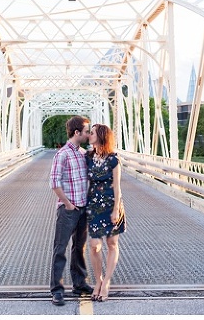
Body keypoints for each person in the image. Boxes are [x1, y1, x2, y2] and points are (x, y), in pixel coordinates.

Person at [49, 115, 93, 306]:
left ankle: (79, 283)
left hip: (83, 208)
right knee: (60, 248)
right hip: (69, 209)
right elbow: (54, 182)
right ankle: (57, 290)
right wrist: (67, 203)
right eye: (86, 131)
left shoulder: (83, 153)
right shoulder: (63, 154)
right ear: (77, 133)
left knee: (79, 247)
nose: (88, 134)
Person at [86, 123, 125, 302]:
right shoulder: (88, 157)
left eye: (92, 133)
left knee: (111, 244)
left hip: (111, 205)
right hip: (94, 206)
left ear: (101, 136)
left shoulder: (113, 159)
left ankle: (106, 282)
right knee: (94, 245)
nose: (89, 135)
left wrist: (116, 209)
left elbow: (117, 186)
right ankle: (98, 280)